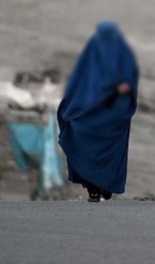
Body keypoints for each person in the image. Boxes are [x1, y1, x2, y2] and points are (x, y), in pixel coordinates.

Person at [57, 21, 139, 203]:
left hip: (111, 117)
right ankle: (94, 189)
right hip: (94, 116)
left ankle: (105, 185)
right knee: (91, 151)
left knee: (104, 153)